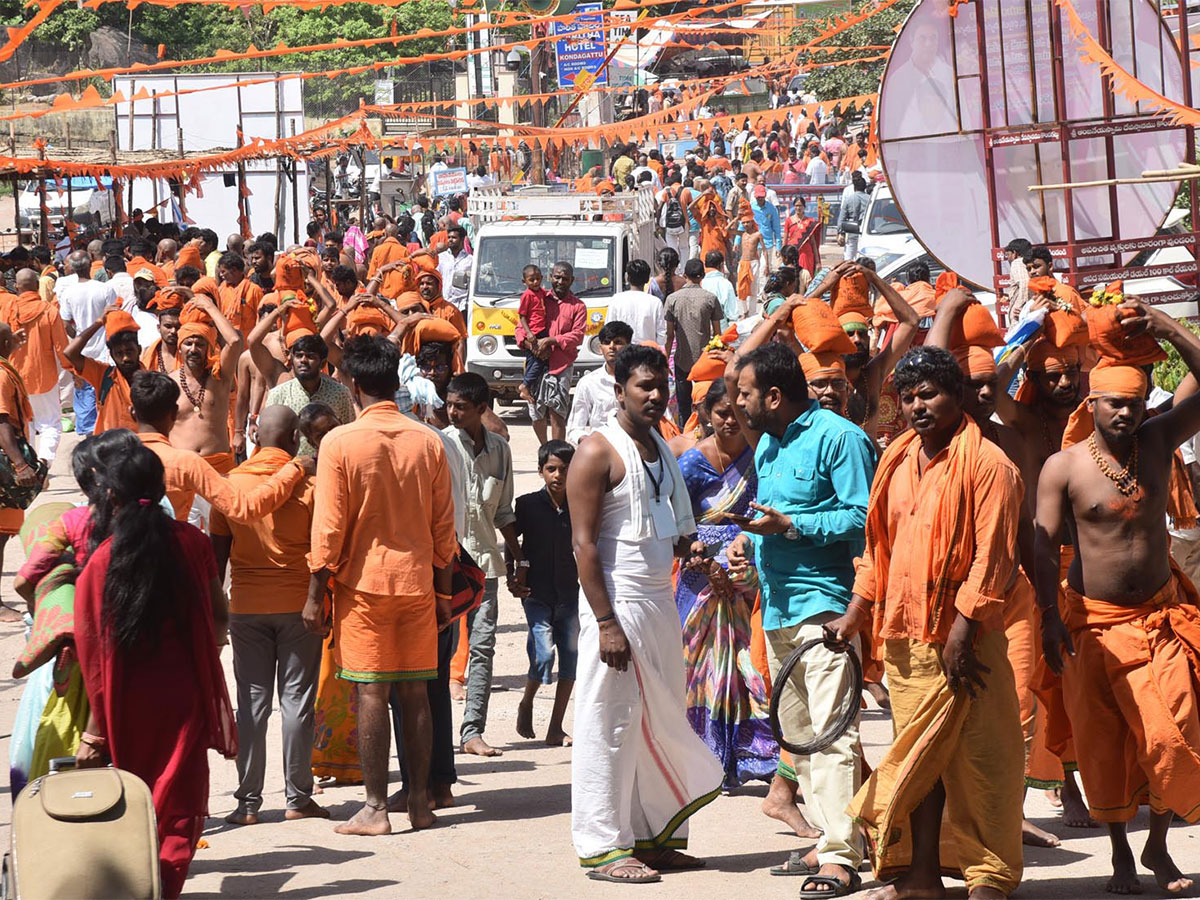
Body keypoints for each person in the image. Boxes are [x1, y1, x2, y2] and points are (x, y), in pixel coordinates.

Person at [833, 346, 1025, 900]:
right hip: (903, 639)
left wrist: (961, 634)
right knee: (923, 766)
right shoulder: (893, 459)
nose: (918, 406)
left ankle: (988, 878)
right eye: (909, 397)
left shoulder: (991, 465)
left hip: (969, 640)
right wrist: (854, 615)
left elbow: (994, 559)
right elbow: (877, 549)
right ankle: (920, 879)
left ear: (958, 396)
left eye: (930, 394)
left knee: (982, 763)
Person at [1036, 301, 1200, 895]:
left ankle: (1158, 843)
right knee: (1103, 745)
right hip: (1091, 624)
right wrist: (1050, 619)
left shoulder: (1157, 443)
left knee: (1171, 734)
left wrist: (1168, 327)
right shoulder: (1064, 467)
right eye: (1114, 403)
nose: (1126, 413)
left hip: (1159, 618)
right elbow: (1042, 545)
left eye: (1134, 403)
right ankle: (1122, 855)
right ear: (1092, 403)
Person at [721, 323, 875, 895]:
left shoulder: (841, 439)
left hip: (827, 610)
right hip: (779, 609)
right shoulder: (768, 443)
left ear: (774, 397)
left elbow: (864, 520)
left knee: (833, 737)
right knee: (802, 738)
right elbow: (772, 518)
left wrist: (792, 525)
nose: (735, 405)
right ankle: (834, 838)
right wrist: (751, 548)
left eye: (743, 394)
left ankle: (839, 856)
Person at [567, 344, 723, 883]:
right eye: (644, 388)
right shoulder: (596, 452)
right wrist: (606, 623)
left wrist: (690, 550)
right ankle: (603, 846)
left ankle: (653, 839)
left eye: (661, 387)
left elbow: (665, 527)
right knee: (608, 723)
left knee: (658, 719)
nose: (656, 396)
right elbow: (584, 546)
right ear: (619, 391)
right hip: (617, 607)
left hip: (659, 602)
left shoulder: (660, 445)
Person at [304, 335, 456, 835]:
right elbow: (443, 531)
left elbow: (327, 531)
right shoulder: (427, 440)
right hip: (417, 584)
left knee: (371, 695)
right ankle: (418, 803)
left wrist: (313, 596)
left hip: (362, 587)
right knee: (415, 693)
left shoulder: (340, 443)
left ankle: (374, 808)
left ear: (350, 384)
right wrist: (441, 595)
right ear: (396, 380)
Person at [73, 442, 237, 899]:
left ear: (111, 495)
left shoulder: (102, 560)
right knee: (178, 802)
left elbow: (95, 659)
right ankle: (164, 886)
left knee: (133, 795)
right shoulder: (193, 542)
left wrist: (94, 732)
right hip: (183, 691)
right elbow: (218, 613)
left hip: (127, 700)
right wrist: (207, 652)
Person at [213, 405, 328, 827]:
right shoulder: (312, 485)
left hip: (245, 605)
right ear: (296, 439)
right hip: (299, 605)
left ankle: (247, 803)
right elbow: (324, 551)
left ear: (256, 436)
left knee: (252, 702)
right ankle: (298, 798)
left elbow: (216, 555)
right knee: (297, 701)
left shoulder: (229, 484)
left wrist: (218, 613)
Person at [673, 377, 779, 789]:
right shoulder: (692, 463)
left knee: (746, 664)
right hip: (700, 578)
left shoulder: (759, 459)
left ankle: (751, 753)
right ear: (705, 415)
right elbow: (677, 522)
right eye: (721, 414)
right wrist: (700, 555)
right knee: (700, 669)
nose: (730, 422)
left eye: (737, 414)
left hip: (746, 571)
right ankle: (703, 755)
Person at [442, 373, 525, 757]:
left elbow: (504, 510)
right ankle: (438, 732)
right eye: (449, 404)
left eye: (461, 406)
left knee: (483, 647)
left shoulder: (500, 451)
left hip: (486, 565)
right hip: (444, 563)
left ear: (480, 409)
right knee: (440, 649)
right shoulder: (440, 446)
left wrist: (518, 557)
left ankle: (472, 730)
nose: (452, 412)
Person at [130, 371, 310, 522]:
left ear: (132, 412)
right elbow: (245, 509)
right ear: (175, 413)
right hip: (165, 557)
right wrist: (293, 469)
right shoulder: (185, 462)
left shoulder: (111, 459)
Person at [512, 440, 579, 746]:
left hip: (570, 594)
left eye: (564, 469)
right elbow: (514, 545)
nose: (557, 475)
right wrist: (516, 575)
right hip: (536, 592)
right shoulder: (527, 505)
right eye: (551, 469)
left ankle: (555, 726)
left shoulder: (581, 505)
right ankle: (527, 700)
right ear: (540, 471)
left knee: (570, 661)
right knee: (542, 653)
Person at [169, 294, 244, 489]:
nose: (194, 349)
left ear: (209, 348)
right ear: (180, 348)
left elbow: (235, 341)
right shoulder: (169, 383)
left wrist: (210, 307)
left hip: (220, 469)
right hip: (183, 470)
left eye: (200, 344)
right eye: (188, 343)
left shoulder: (220, 376)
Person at [263, 316, 355, 456]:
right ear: (292, 360)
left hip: (330, 464)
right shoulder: (278, 394)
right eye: (299, 356)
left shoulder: (340, 393)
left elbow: (348, 432)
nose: (303, 361)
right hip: (290, 467)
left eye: (310, 356)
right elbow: (269, 438)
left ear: (323, 363)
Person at [1, 268, 67, 462]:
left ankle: (30, 462)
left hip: (14, 376)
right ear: (37, 286)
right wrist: (74, 371)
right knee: (50, 424)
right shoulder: (49, 310)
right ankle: (45, 461)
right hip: (44, 376)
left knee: (24, 424)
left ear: (16, 287)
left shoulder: (8, 310)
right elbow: (62, 347)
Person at [58, 251, 118, 436]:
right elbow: (114, 316)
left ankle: (89, 436)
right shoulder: (105, 289)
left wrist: (78, 337)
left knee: (84, 394)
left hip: (82, 352)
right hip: (105, 351)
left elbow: (65, 322)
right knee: (107, 392)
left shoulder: (68, 293)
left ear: (73, 269)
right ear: (91, 264)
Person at [528, 262, 587, 445]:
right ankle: (545, 450)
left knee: (557, 412)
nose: (560, 281)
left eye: (565, 279)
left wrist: (552, 341)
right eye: (557, 277)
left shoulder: (578, 306)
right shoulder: (539, 299)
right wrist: (533, 346)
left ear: (572, 281)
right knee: (536, 412)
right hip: (536, 363)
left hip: (561, 365)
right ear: (550, 277)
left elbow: (577, 336)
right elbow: (520, 327)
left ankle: (556, 455)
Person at [63, 308, 144, 436]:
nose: (125, 358)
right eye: (119, 353)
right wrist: (99, 322)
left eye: (129, 352)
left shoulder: (150, 377)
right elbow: (70, 353)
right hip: (109, 450)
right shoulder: (103, 375)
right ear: (111, 355)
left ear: (139, 350)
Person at [665, 259, 722, 425]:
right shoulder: (710, 298)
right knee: (704, 402)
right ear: (702, 276)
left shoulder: (672, 299)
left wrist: (666, 358)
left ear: (685, 276)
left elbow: (669, 336)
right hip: (704, 361)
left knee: (683, 405)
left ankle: (685, 434)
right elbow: (718, 334)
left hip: (682, 361)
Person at [566, 321, 632, 445]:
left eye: (618, 342)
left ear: (628, 346)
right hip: (601, 448)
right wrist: (588, 441)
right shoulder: (588, 383)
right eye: (607, 342)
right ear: (600, 348)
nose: (611, 347)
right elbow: (574, 428)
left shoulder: (638, 380)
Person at [605, 259, 665, 347]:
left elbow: (608, 328)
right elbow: (662, 333)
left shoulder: (616, 299)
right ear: (647, 279)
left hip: (623, 353)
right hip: (648, 353)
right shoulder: (655, 302)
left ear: (627, 277)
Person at [516, 264, 551, 407]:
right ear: (524, 282)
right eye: (531, 280)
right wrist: (529, 334)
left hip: (542, 330)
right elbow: (522, 316)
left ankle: (528, 387)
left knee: (532, 362)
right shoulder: (527, 295)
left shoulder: (542, 292)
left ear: (542, 278)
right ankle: (525, 385)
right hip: (534, 333)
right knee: (538, 361)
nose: (535, 282)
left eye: (538, 279)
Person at [437, 226, 472, 312]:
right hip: (444, 303)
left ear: (462, 239)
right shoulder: (441, 258)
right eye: (449, 237)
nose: (450, 240)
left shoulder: (470, 260)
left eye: (454, 237)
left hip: (462, 305)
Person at [838, 172, 870, 261]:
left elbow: (842, 217)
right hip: (867, 232)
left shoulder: (849, 199)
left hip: (851, 232)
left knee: (849, 260)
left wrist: (840, 233)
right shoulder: (870, 199)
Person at [701, 250, 739, 324]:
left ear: (704, 264)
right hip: (721, 331)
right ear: (721, 265)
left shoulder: (700, 283)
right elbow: (733, 314)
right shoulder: (726, 284)